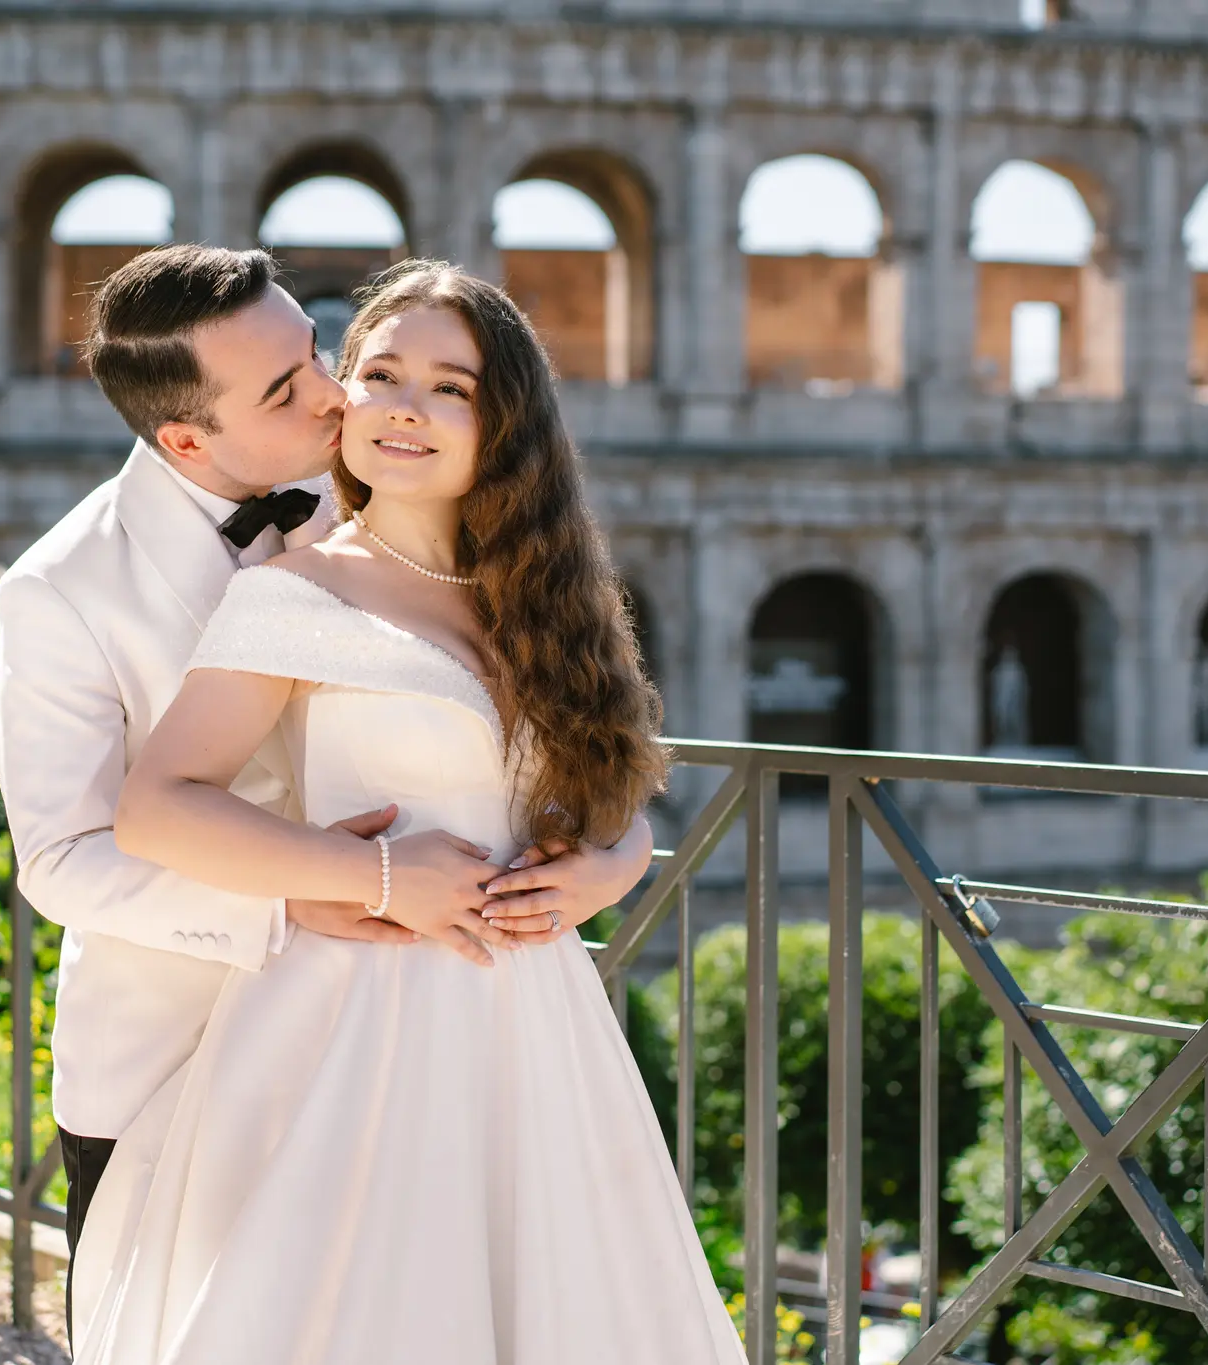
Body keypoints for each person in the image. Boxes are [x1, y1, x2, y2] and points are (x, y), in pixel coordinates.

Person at [71, 260, 744, 1363]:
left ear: (503, 422)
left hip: (532, 1024)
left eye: (449, 386)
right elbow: (156, 808)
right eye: (379, 373)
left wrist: (608, 868)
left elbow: (613, 796)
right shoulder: (294, 590)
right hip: (359, 1025)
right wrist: (377, 880)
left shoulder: (546, 597)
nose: (405, 406)